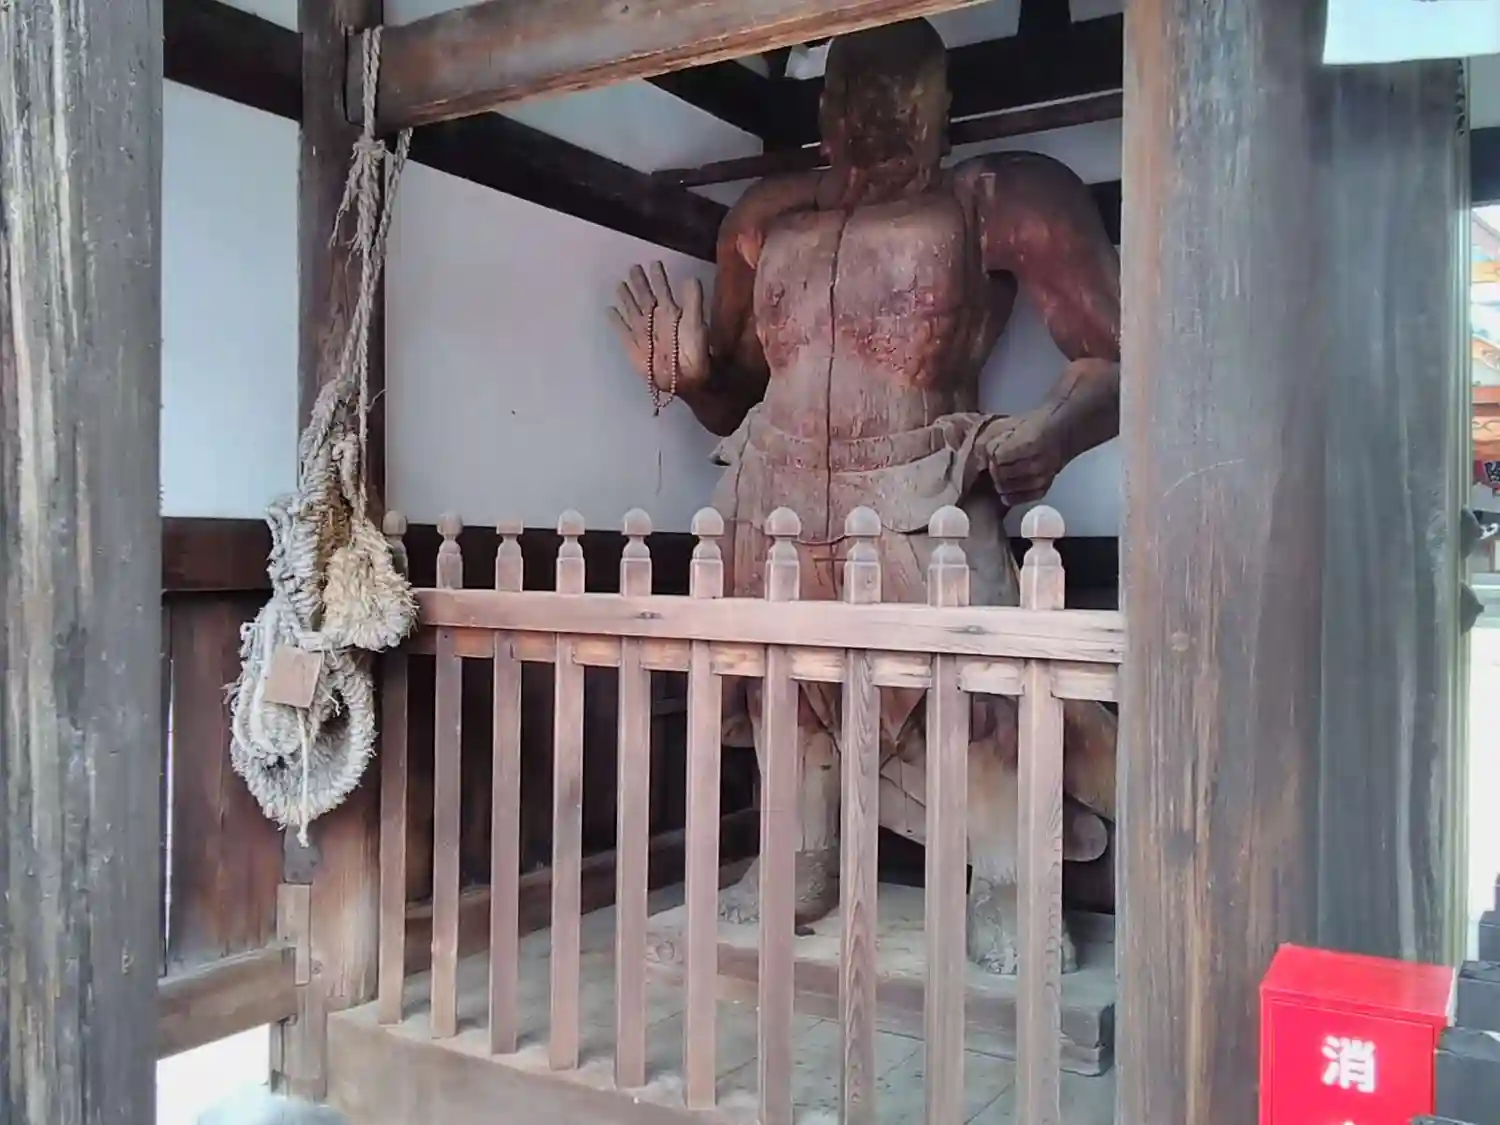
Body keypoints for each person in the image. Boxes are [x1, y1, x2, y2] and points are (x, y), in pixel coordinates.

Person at [609, 17, 1119, 972]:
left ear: (942, 104)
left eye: (901, 94)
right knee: (787, 690)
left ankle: (1012, 876)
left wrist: (1052, 430)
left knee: (979, 695)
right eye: (853, 91)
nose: (875, 116)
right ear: (824, 106)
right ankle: (797, 858)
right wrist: (692, 377)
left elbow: (1116, 354)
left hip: (923, 487)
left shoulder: (999, 200)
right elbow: (737, 395)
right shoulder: (764, 221)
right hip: (776, 493)